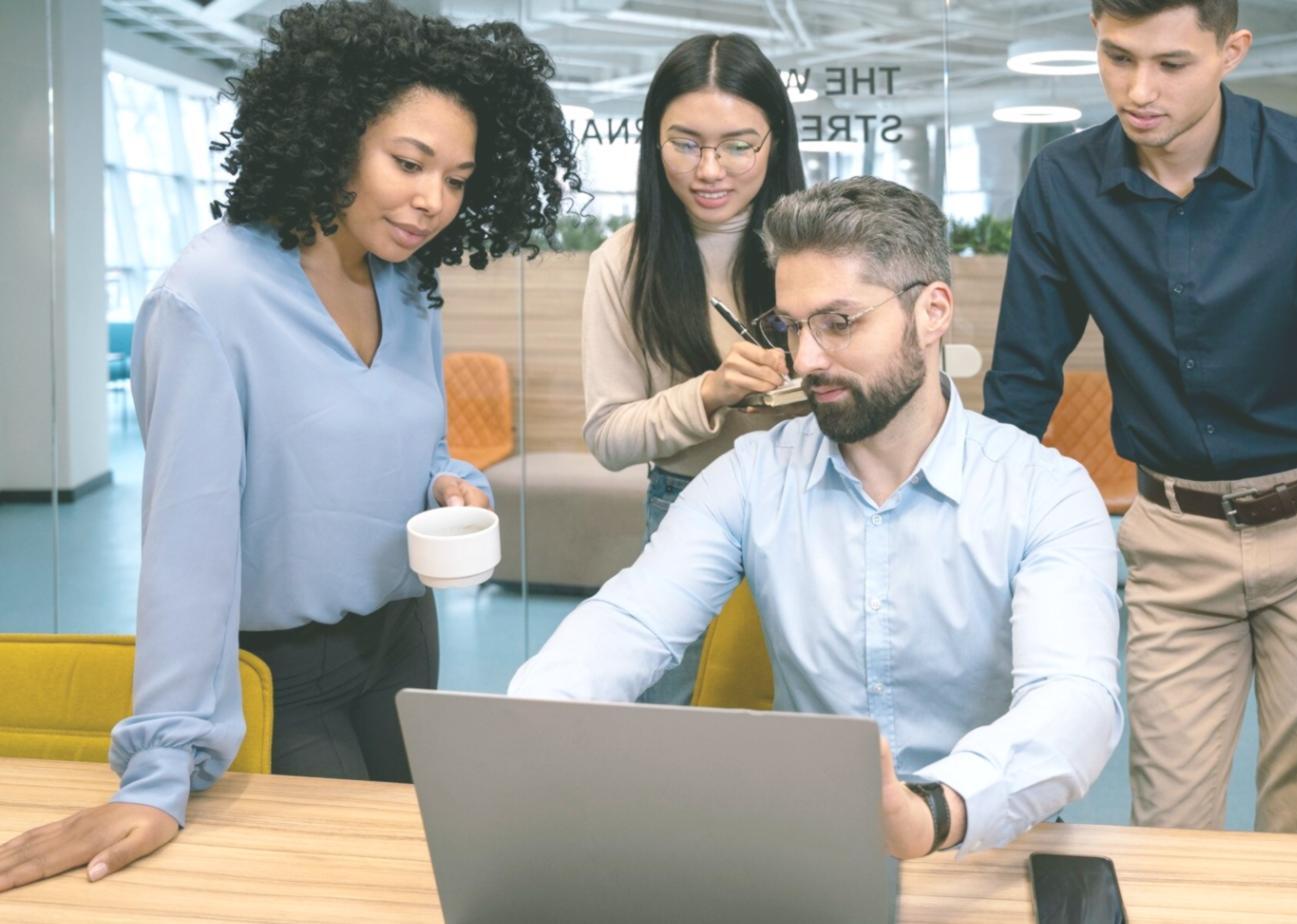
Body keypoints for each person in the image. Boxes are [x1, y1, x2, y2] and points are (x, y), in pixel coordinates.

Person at [0, 0, 576, 891]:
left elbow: (420, 445)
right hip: (288, 673)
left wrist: (451, 482)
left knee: (424, 879)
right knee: (343, 890)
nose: (432, 201)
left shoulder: (406, 283)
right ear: (335, 136)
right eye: (408, 163)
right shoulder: (209, 299)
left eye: (457, 178)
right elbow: (187, 550)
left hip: (405, 642)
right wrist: (158, 773)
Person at [510, 176, 1124, 862]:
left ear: (932, 313)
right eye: (791, 327)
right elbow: (628, 622)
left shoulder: (1044, 492)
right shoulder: (751, 477)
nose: (804, 360)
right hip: (817, 850)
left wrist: (933, 811)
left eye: (839, 323)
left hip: (987, 844)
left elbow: (1074, 699)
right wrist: (521, 728)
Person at [982, 0, 1297, 835]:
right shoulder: (1063, 184)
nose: (1138, 90)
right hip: (1173, 540)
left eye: (1171, 63)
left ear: (1230, 51)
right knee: (1167, 824)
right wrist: (976, 554)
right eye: (1118, 57)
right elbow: (1021, 386)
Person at [580, 32, 806, 705]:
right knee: (673, 715)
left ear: (775, 141)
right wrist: (710, 392)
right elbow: (609, 436)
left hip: (816, 498)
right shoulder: (623, 262)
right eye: (686, 144)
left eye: (738, 146)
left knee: (811, 710)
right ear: (654, 142)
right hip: (686, 504)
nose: (710, 170)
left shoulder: (824, 246)